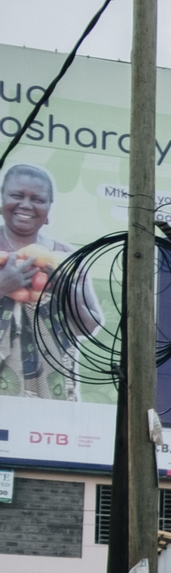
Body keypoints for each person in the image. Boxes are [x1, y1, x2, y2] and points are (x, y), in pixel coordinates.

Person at [0, 163, 91, 400]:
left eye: (37, 199)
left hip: (49, 386)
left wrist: (68, 292)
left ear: (49, 209)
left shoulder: (65, 256)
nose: (26, 205)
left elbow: (89, 327)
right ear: (2, 201)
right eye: (16, 195)